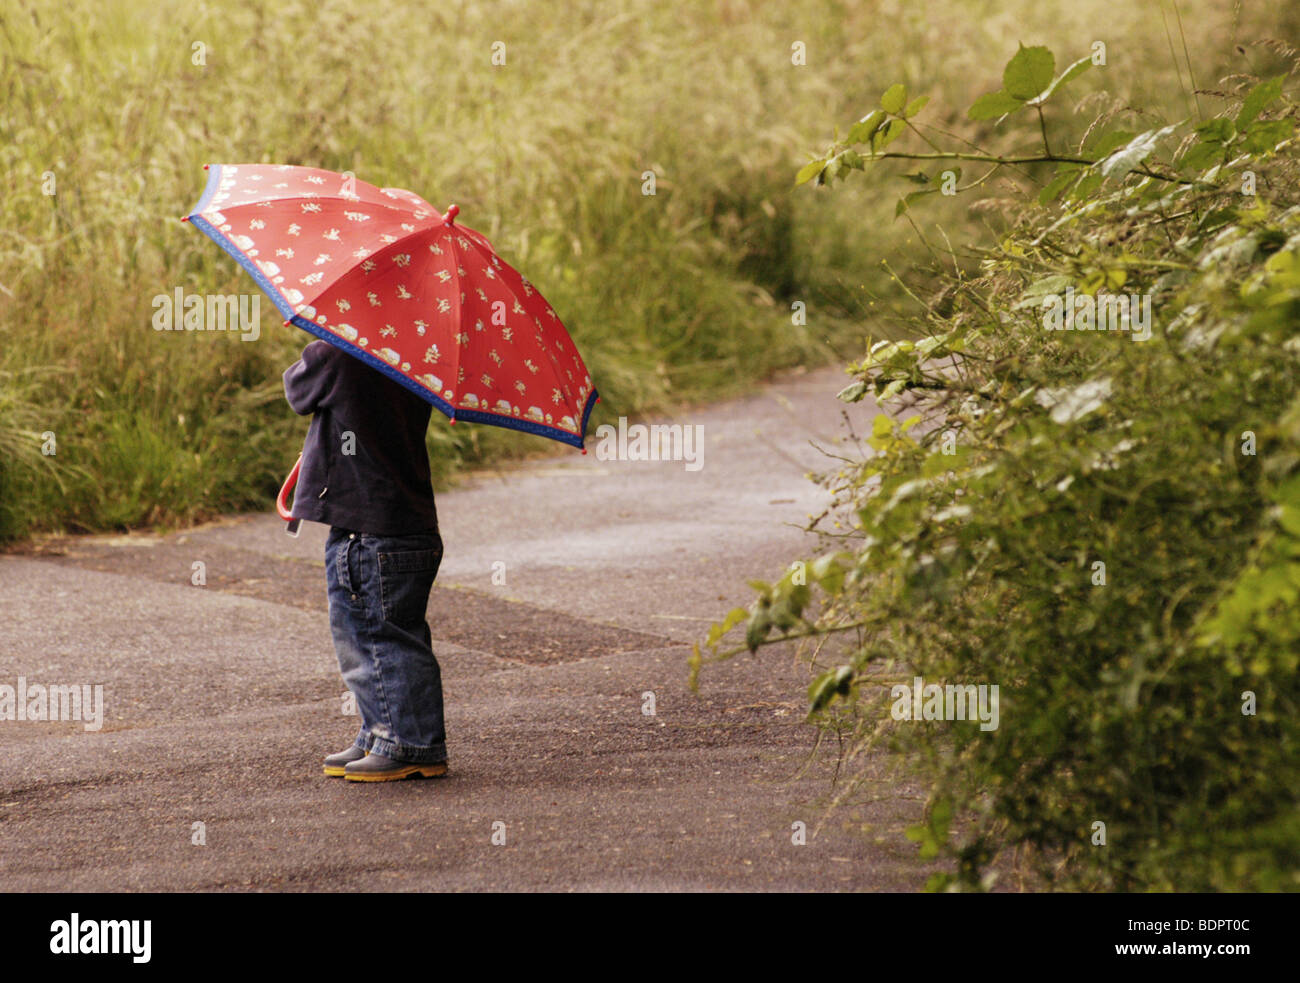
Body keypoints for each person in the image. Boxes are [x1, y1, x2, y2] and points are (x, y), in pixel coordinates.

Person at [283, 339, 449, 782]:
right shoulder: (415, 354)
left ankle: (408, 742)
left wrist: (316, 342)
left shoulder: (336, 352)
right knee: (390, 635)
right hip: (407, 522)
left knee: (375, 639)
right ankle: (380, 730)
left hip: (368, 529)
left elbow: (297, 391)